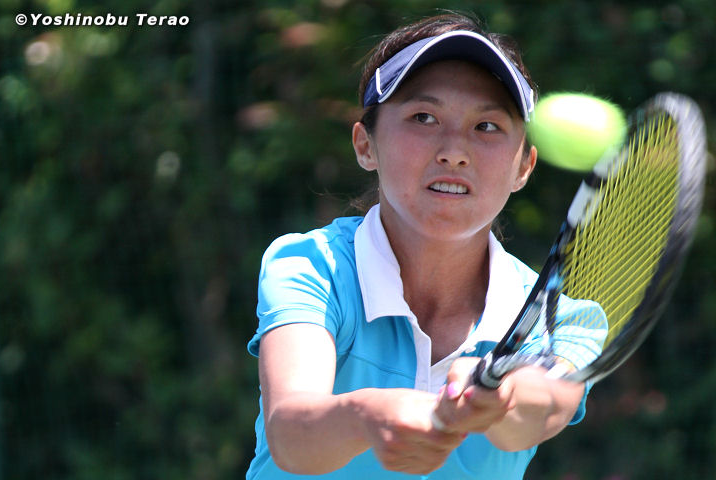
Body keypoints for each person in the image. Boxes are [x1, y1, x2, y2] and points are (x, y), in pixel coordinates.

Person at [246, 13, 593, 479]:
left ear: (523, 167)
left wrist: (499, 396)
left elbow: (539, 411)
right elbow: (292, 434)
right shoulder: (312, 266)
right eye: (423, 118)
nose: (454, 151)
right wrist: (366, 415)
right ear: (365, 145)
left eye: (487, 126)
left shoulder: (565, 320)